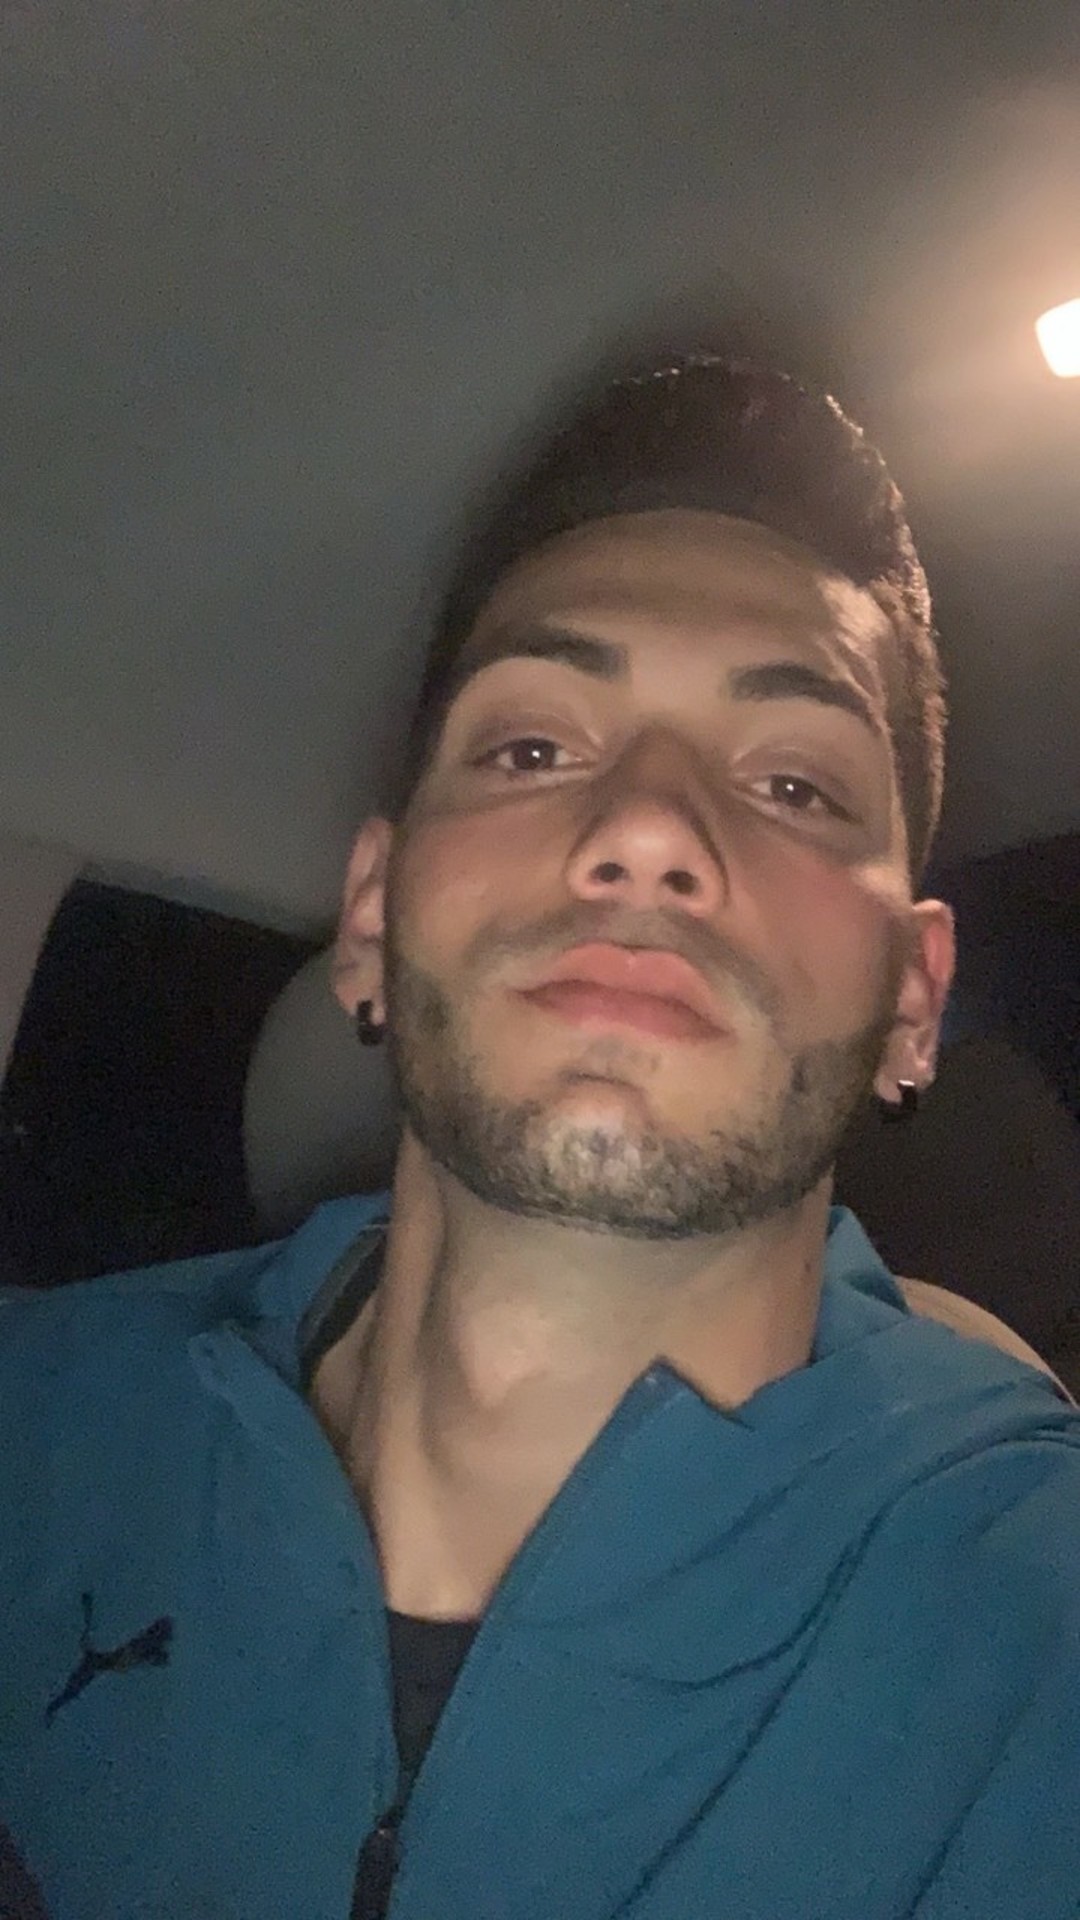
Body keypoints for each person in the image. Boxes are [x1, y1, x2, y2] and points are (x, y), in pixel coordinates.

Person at [2, 354, 1079, 1920]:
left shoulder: (1034, 1645)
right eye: (531, 750)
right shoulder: (39, 1435)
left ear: (914, 1000)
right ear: (373, 916)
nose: (647, 829)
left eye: (793, 783)